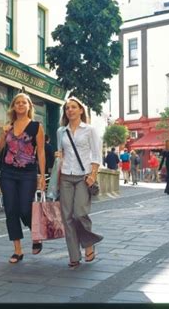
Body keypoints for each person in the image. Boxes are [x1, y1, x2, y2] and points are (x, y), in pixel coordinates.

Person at [0, 93, 46, 264]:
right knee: (11, 210)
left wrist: (42, 175)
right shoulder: (8, 126)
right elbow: (0, 149)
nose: (20, 105)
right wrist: (3, 135)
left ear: (29, 106)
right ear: (13, 106)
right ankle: (17, 250)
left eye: (23, 102)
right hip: (7, 172)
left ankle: (36, 234)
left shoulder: (36, 126)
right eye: (17, 102)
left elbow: (40, 151)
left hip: (28, 173)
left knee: (25, 209)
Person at [56, 97, 103, 268]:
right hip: (66, 176)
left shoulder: (89, 130)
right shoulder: (61, 131)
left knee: (79, 213)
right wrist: (58, 157)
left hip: (84, 176)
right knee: (67, 217)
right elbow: (60, 152)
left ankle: (89, 243)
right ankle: (74, 255)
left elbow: (97, 154)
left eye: (73, 107)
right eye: (67, 108)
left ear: (81, 110)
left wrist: (94, 174)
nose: (70, 110)